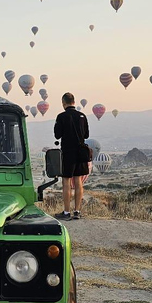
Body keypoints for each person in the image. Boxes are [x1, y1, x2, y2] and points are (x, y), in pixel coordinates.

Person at [53, 92, 90, 220]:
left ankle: (66, 212)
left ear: (64, 103)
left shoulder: (61, 116)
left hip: (68, 152)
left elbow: (57, 135)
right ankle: (77, 211)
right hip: (80, 151)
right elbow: (86, 135)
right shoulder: (82, 116)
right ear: (74, 102)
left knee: (66, 182)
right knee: (78, 181)